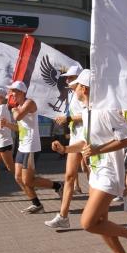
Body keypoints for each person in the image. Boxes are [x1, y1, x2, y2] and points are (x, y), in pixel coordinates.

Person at [52, 70, 127, 253]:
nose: (73, 90)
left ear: (84, 89)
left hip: (109, 173)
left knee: (88, 222)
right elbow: (87, 143)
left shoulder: (108, 109)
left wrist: (98, 150)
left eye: (75, 86)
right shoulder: (87, 111)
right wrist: (66, 149)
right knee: (101, 222)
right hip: (96, 172)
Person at [2, 81, 63, 214]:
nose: (11, 94)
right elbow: (20, 127)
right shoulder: (19, 106)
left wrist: (13, 109)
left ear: (22, 92)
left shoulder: (29, 103)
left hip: (32, 147)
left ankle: (58, 185)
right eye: (11, 91)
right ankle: (36, 204)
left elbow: (17, 116)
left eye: (14, 91)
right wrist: (7, 124)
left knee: (27, 180)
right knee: (18, 178)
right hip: (22, 147)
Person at [45, 66, 88, 228]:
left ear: (79, 78)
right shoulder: (71, 94)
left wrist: (68, 118)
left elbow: (89, 115)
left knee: (91, 175)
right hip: (76, 140)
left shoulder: (84, 93)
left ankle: (123, 193)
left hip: (88, 140)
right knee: (69, 177)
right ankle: (63, 217)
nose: (67, 80)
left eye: (70, 77)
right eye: (67, 77)